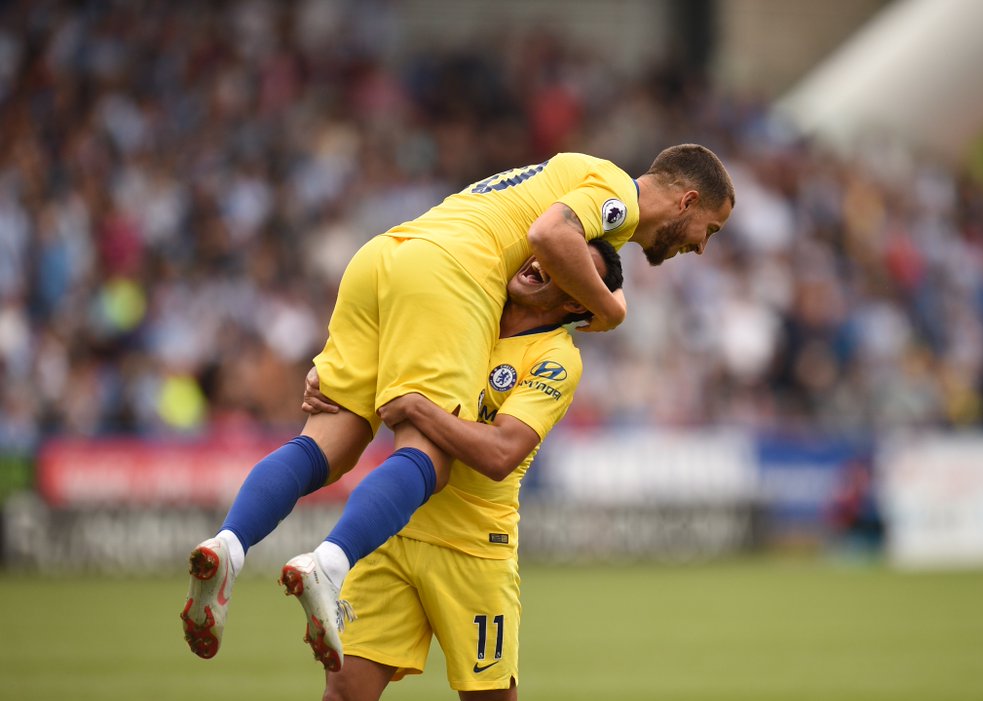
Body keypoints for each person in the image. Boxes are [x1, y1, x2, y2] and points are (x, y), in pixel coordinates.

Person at [181, 144, 734, 664]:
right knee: (431, 456)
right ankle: (331, 564)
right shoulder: (616, 192)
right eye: (709, 229)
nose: (701, 246)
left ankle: (229, 544)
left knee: (332, 442)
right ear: (687, 200)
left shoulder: (566, 175)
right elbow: (549, 233)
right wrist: (611, 311)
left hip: (386, 256)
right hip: (453, 273)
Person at [308, 238, 623, 701]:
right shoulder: (464, 306)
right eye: (546, 254)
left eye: (565, 267)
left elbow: (501, 453)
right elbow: (377, 354)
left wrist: (418, 408)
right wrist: (334, 378)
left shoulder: (556, 358)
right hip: (395, 531)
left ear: (577, 302)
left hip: (474, 551)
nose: (539, 263)